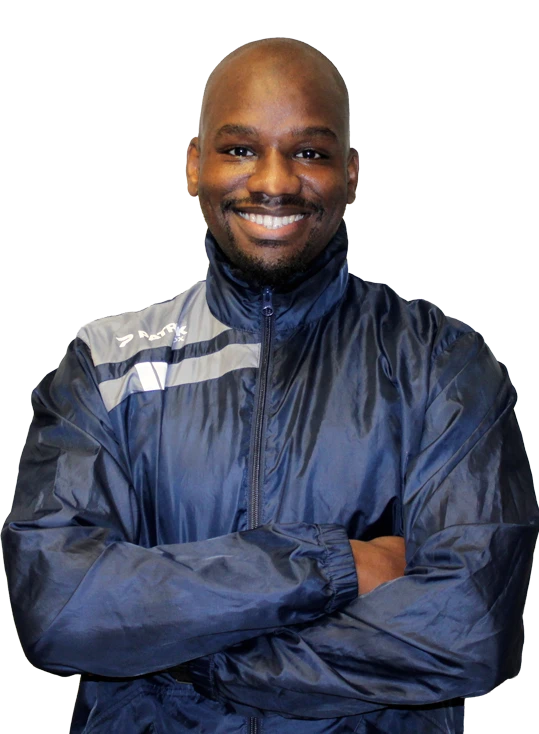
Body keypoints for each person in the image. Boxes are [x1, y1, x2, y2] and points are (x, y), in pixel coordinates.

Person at [1, 37, 538, 734]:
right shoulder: (104, 370)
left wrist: (180, 652)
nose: (275, 181)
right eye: (240, 149)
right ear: (194, 165)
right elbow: (60, 611)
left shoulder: (441, 364)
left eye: (309, 152)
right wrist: (333, 565)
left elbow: (467, 629)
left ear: (350, 173)